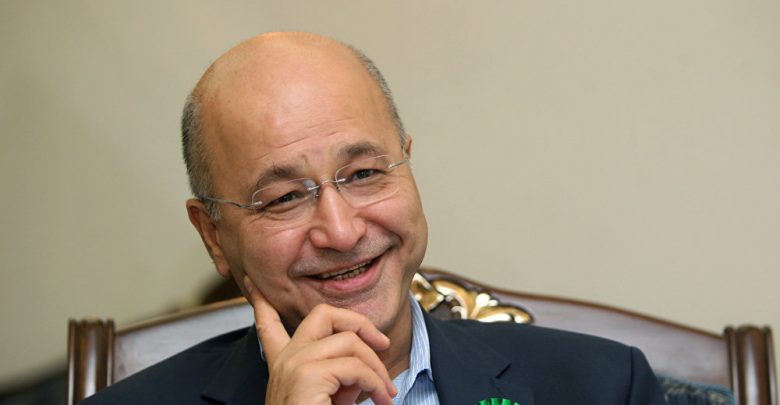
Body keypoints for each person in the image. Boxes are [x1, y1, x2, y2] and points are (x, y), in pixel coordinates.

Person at [82, 32, 667, 404]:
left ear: (407, 163)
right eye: (283, 198)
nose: (341, 232)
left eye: (363, 173)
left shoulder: (603, 385)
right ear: (213, 235)